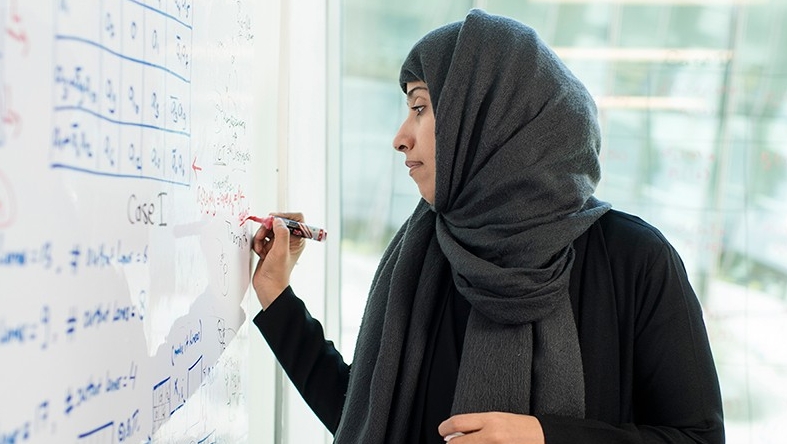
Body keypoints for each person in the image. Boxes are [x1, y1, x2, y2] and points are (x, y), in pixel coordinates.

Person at [251, 9, 725, 444]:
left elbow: (699, 437)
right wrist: (275, 293)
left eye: (420, 108)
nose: (400, 138)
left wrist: (546, 438)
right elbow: (369, 417)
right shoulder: (423, 254)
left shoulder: (634, 259)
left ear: (487, 117)